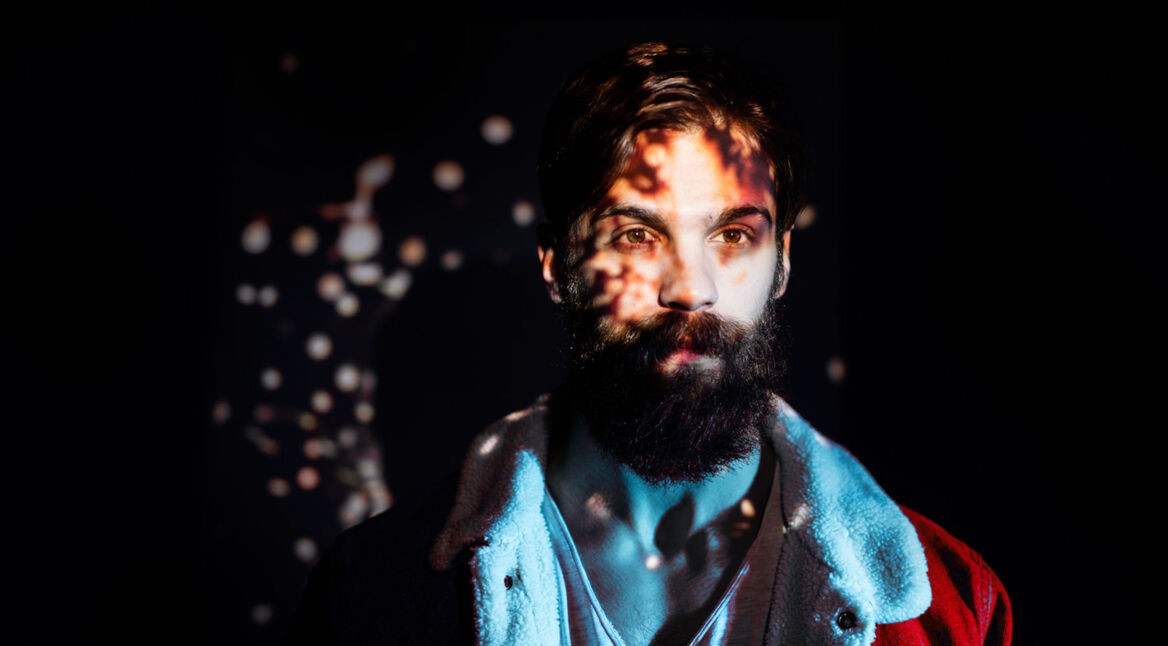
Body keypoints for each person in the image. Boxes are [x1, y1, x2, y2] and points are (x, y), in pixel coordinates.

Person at [289, 41, 1012, 645]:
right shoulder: (372, 592)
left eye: (733, 236)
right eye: (637, 234)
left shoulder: (951, 607)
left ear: (783, 262)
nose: (690, 289)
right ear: (558, 265)